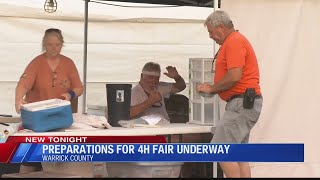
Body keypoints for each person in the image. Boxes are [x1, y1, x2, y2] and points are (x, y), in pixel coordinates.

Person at [197, 10, 263, 178]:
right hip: (246, 102)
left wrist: (212, 88)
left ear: (221, 27)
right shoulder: (235, 41)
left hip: (241, 103)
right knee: (239, 154)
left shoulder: (234, 41)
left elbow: (234, 75)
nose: (211, 36)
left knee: (219, 150)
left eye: (211, 32)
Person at [15, 28, 84, 173]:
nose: (54, 48)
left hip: (61, 120)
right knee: (29, 161)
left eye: (57, 44)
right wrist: (18, 99)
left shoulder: (68, 63)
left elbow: (79, 87)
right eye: (50, 44)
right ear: (44, 44)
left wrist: (70, 95)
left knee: (58, 163)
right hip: (37, 122)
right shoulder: (36, 63)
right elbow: (23, 83)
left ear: (62, 44)